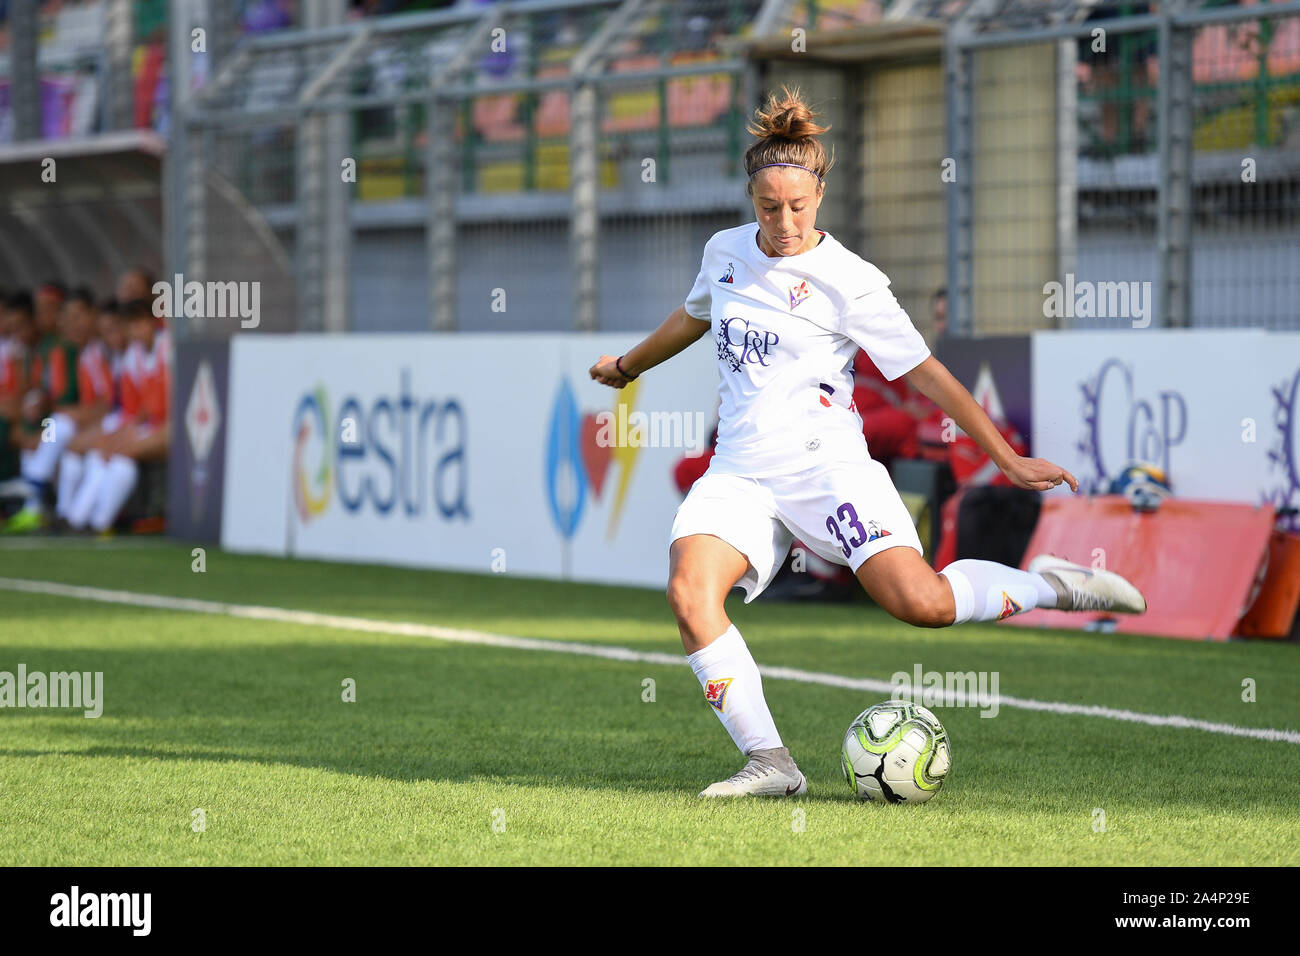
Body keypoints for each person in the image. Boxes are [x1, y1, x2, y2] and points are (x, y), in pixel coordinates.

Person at [588, 88, 1147, 799]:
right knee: (689, 592)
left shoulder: (851, 282)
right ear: (751, 199)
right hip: (740, 474)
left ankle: (1050, 584)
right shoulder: (724, 252)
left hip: (828, 472)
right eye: (768, 207)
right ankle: (772, 764)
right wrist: (629, 366)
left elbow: (929, 376)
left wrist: (1005, 457)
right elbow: (693, 315)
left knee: (923, 604)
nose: (784, 222)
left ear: (819, 194)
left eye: (798, 206)